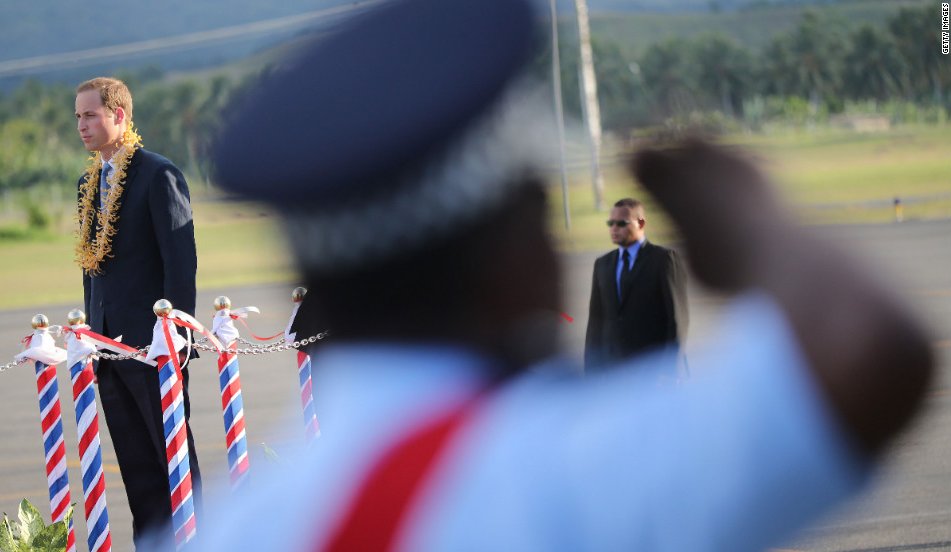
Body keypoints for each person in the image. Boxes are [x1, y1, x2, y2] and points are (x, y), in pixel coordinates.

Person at [185, 0, 934, 550]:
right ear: (520, 256)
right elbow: (871, 349)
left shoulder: (241, 528)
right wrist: (752, 217)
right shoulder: (573, 469)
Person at [74, 77, 202, 550]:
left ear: (120, 116)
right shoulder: (88, 182)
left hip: (155, 348)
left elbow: (180, 261)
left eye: (91, 115)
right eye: (78, 117)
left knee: (173, 461)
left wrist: (177, 336)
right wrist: (90, 333)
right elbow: (92, 269)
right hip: (107, 346)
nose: (82, 125)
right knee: (135, 466)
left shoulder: (157, 174)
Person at [584, 197, 688, 374]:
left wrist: (670, 370)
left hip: (651, 369)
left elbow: (677, 319)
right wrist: (591, 371)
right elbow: (596, 322)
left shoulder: (663, 259)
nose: (614, 228)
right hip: (612, 371)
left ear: (640, 224)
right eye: (611, 223)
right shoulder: (603, 264)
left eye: (621, 223)